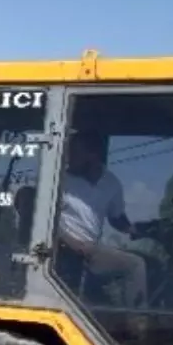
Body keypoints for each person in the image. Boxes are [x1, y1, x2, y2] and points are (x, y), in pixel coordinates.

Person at [57, 130, 149, 307]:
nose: (69, 158)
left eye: (75, 153)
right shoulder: (60, 179)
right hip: (65, 246)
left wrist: (132, 229)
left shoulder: (110, 182)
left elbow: (116, 217)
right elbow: (45, 220)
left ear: (92, 156)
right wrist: (71, 241)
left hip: (91, 248)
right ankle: (138, 325)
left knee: (143, 260)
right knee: (136, 266)